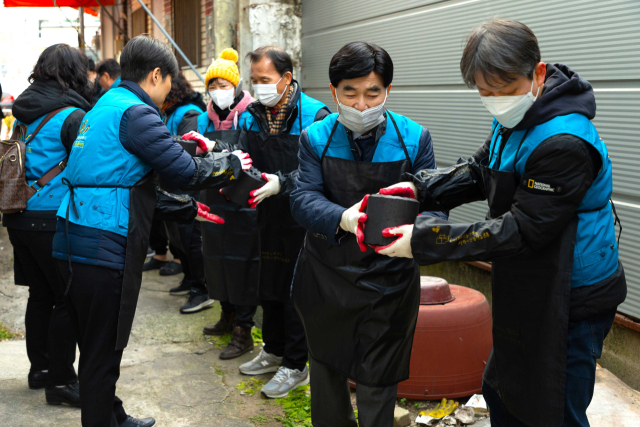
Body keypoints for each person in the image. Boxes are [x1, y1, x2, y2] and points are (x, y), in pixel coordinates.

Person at [377, 19, 627, 427]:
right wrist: (419, 189)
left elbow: (523, 230)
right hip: (530, 281)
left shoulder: (565, 143)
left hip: (571, 295)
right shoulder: (517, 117)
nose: (496, 100)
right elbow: (481, 170)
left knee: (555, 408)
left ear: (538, 75)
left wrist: (423, 241)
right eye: (485, 91)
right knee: (502, 390)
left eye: (506, 88)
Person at [51, 36, 251, 427]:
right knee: (102, 354)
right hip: (103, 244)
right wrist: (232, 164)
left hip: (72, 237)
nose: (166, 95)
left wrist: (188, 208)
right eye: (166, 84)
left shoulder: (104, 106)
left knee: (96, 348)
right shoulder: (136, 113)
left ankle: (113, 417)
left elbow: (128, 181)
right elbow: (183, 172)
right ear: (156, 75)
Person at [289, 41, 446, 426]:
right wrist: (344, 218)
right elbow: (303, 198)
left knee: (379, 379)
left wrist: (418, 236)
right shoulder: (314, 138)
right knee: (327, 374)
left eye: (372, 93)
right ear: (334, 92)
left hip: (389, 283)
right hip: (327, 276)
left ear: (388, 91)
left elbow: (436, 205)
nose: (361, 105)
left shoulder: (414, 138)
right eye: (350, 93)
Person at [231, 46, 330, 397]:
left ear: (287, 79)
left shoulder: (316, 116)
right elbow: (241, 159)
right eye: (254, 80)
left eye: (265, 80)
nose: (258, 88)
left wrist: (281, 183)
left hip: (301, 218)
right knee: (268, 283)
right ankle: (272, 350)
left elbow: (319, 172)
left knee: (295, 291)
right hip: (266, 214)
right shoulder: (250, 116)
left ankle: (295, 364)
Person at [3, 43, 92, 407]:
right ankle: (60, 382)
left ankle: (39, 370)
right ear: (74, 73)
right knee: (66, 300)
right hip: (51, 218)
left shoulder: (23, 109)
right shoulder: (71, 115)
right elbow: (85, 167)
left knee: (40, 295)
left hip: (18, 216)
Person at [182, 48, 260, 359]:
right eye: (212, 86)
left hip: (244, 201)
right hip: (212, 200)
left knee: (245, 263)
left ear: (237, 85)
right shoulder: (202, 118)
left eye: (223, 85)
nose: (218, 91)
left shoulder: (253, 115)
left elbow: (250, 152)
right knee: (215, 259)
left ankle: (244, 328)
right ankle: (226, 314)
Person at [158, 70, 212, 313]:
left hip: (187, 186)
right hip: (171, 184)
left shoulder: (188, 113)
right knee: (179, 239)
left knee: (191, 240)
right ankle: (189, 279)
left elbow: (186, 149)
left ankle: (201, 290)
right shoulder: (168, 111)